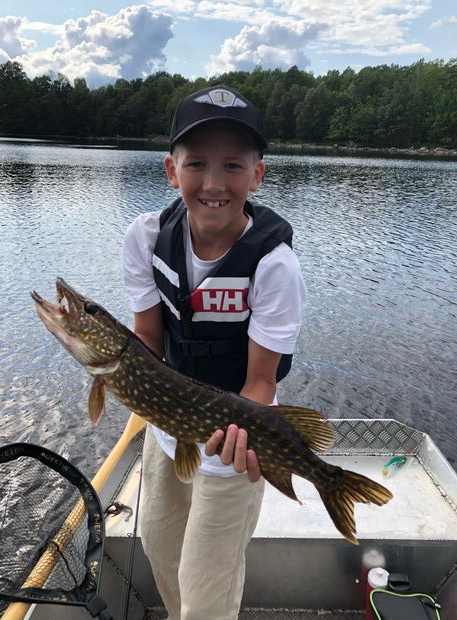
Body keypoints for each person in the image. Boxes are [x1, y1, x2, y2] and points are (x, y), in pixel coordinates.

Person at [123, 85, 306, 620]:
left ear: (257, 175)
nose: (213, 183)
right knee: (161, 553)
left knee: (207, 592)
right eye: (197, 163)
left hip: (235, 445)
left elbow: (262, 382)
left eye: (232, 166)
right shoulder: (146, 238)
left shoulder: (274, 265)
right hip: (166, 431)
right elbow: (146, 339)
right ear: (171, 170)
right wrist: (112, 367)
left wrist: (241, 435)